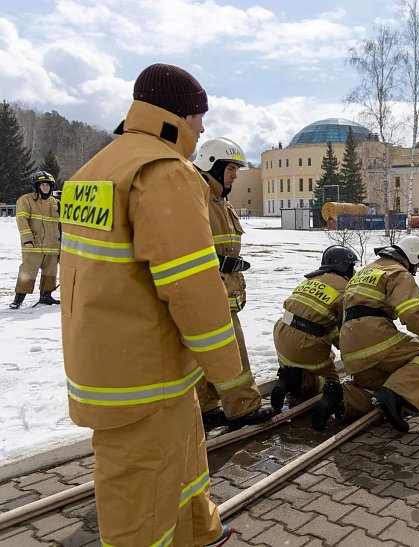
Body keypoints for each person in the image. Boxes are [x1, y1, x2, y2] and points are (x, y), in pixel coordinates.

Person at [60, 63, 242, 547]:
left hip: (109, 362)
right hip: (144, 374)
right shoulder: (163, 172)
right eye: (198, 116)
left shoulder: (95, 170)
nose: (202, 128)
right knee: (139, 499)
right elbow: (192, 290)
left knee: (182, 461)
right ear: (178, 115)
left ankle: (199, 532)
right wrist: (233, 381)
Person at [312, 236, 419, 433]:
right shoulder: (399, 273)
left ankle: (344, 397)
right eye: (417, 265)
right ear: (413, 256)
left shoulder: (366, 271)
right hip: (375, 337)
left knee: (379, 387)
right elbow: (413, 316)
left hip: (350, 347)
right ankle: (392, 396)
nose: (415, 271)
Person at [192, 137, 275, 428]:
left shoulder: (218, 199)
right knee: (231, 349)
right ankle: (243, 408)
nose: (235, 176)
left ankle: (205, 405)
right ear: (213, 167)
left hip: (224, 285)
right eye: (231, 170)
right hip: (211, 289)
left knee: (210, 351)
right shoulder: (198, 195)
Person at [271, 246, 358, 427]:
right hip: (305, 344)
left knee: (308, 361)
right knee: (332, 384)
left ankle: (289, 377)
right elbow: (348, 333)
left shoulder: (310, 280)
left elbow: (324, 323)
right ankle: (296, 383)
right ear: (345, 267)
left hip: (281, 334)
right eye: (352, 266)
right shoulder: (346, 289)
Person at [10, 171, 61, 309]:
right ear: (37, 186)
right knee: (27, 271)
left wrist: (61, 244)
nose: (45, 187)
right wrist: (27, 239)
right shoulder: (26, 200)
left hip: (52, 246)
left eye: (48, 185)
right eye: (42, 184)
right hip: (34, 245)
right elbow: (21, 219)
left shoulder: (56, 203)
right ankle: (19, 298)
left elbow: (60, 225)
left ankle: (46, 295)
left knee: (50, 272)